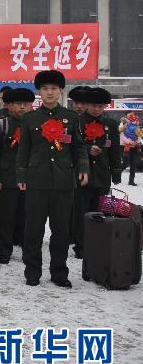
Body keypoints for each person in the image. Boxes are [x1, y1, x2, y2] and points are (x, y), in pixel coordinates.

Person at [16, 70, 88, 288]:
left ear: (60, 91)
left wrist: (83, 166)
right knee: (33, 231)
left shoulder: (72, 117)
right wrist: (21, 174)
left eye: (54, 89)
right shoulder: (29, 119)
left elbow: (78, 146)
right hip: (36, 181)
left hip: (63, 182)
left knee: (61, 232)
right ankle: (32, 272)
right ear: (39, 92)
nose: (49, 92)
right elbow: (23, 151)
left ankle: (59, 272)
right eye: (45, 89)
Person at [72, 87, 122, 259]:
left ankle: (96, 242)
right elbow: (72, 145)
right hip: (81, 176)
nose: (97, 109)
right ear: (86, 105)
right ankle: (80, 245)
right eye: (94, 105)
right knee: (80, 213)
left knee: (99, 212)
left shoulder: (111, 124)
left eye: (101, 106)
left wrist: (116, 173)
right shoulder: (76, 121)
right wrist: (87, 149)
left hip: (102, 175)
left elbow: (116, 150)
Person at [0, 87, 34, 264]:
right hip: (8, 178)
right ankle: (4, 251)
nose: (22, 108)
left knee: (27, 217)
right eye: (18, 104)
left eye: (26, 104)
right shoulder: (2, 125)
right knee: (7, 217)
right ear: (9, 105)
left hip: (30, 179)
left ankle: (28, 250)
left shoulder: (35, 124)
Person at [121, 112, 140, 186]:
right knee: (125, 164)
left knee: (133, 164)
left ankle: (131, 181)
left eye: (132, 114)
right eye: (129, 114)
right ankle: (116, 175)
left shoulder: (136, 126)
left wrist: (137, 141)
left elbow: (138, 135)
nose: (131, 115)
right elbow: (121, 136)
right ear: (126, 116)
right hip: (126, 146)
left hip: (134, 147)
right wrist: (129, 141)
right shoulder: (124, 125)